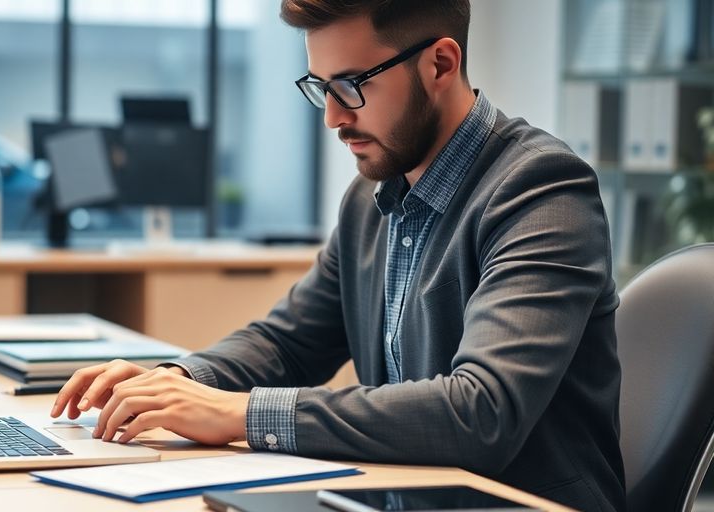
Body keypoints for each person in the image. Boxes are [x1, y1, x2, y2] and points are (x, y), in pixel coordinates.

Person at [51, 1, 625, 510]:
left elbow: (481, 412)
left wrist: (239, 413)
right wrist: (174, 382)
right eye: (320, 87)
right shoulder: (370, 199)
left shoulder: (541, 191)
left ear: (441, 65)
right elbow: (288, 342)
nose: (332, 116)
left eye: (353, 85)